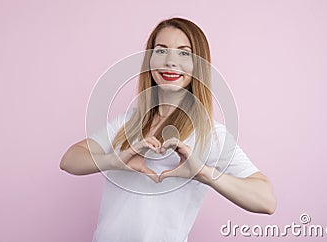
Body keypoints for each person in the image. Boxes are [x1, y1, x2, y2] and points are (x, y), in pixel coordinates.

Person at [60, 17, 276, 242]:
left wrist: (203, 173)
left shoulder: (211, 135)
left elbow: (266, 201)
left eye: (184, 53)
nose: (170, 62)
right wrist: (115, 161)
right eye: (161, 50)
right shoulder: (127, 123)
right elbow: (69, 160)